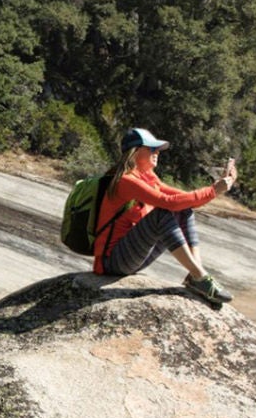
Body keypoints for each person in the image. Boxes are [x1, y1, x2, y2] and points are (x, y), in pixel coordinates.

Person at [94, 127, 238, 307]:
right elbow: (167, 202)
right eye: (152, 149)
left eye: (158, 150)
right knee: (162, 213)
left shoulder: (148, 177)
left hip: (132, 257)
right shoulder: (125, 180)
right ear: (135, 152)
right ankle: (199, 276)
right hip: (112, 262)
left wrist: (217, 188)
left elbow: (183, 201)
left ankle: (196, 275)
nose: (157, 153)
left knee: (183, 210)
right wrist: (214, 190)